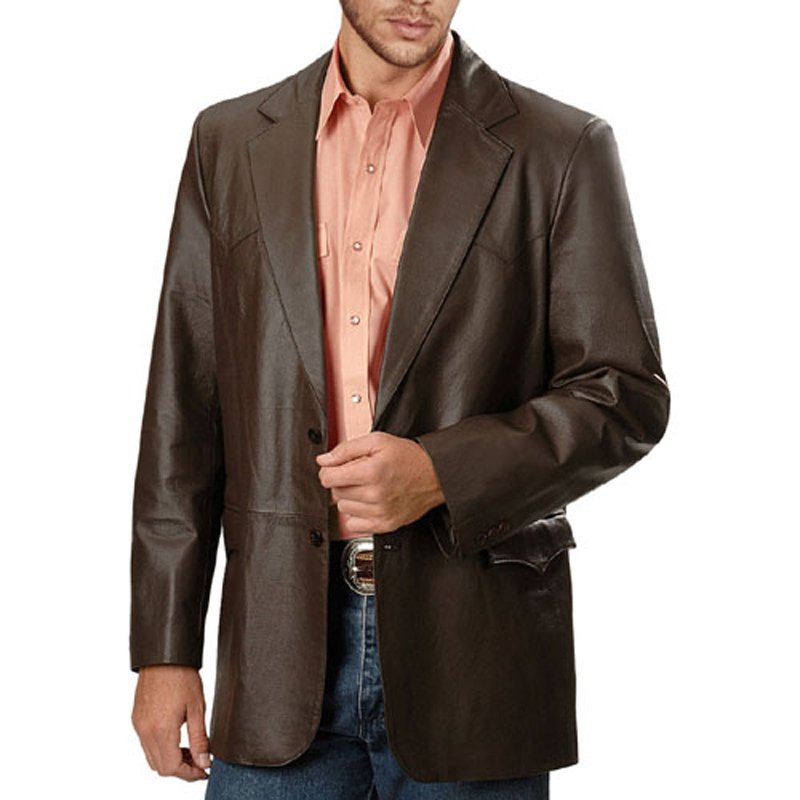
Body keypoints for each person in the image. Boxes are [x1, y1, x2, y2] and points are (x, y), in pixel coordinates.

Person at [129, 1, 670, 797]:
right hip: (276, 646)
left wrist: (441, 471)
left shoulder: (560, 147)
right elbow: (184, 406)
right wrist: (165, 649)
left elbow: (624, 393)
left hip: (475, 651)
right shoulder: (230, 141)